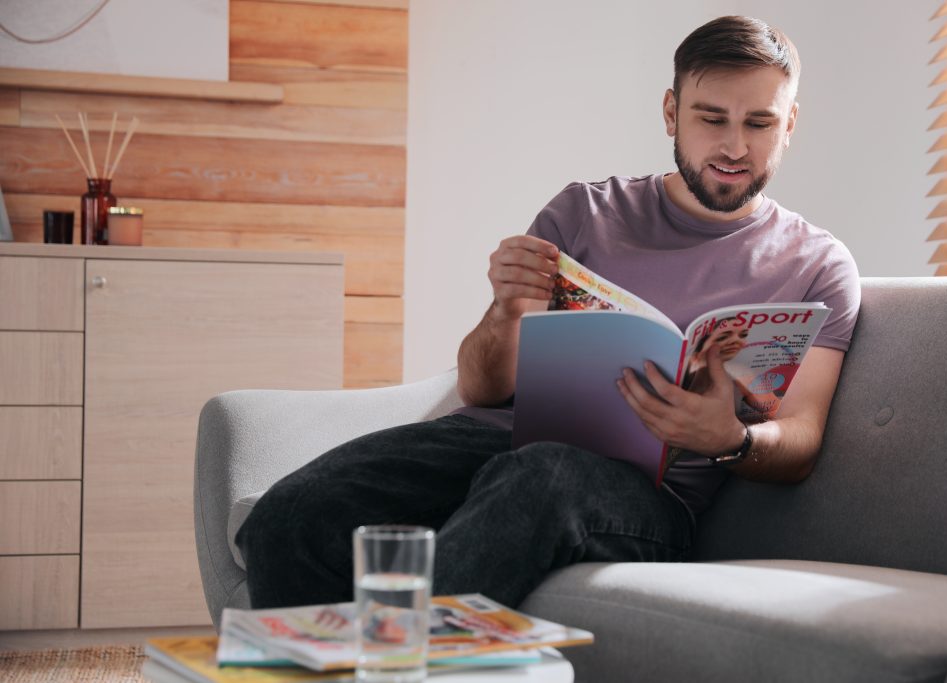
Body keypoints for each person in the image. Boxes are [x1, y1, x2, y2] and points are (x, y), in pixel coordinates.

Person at [236, 15, 860, 611]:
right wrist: (507, 311)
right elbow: (481, 387)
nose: (733, 145)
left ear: (790, 124)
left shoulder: (816, 266)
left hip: (643, 494)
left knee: (538, 478)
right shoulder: (586, 213)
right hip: (489, 443)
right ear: (671, 112)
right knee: (290, 515)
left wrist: (732, 438)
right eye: (711, 118)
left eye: (759, 123)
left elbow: (801, 439)